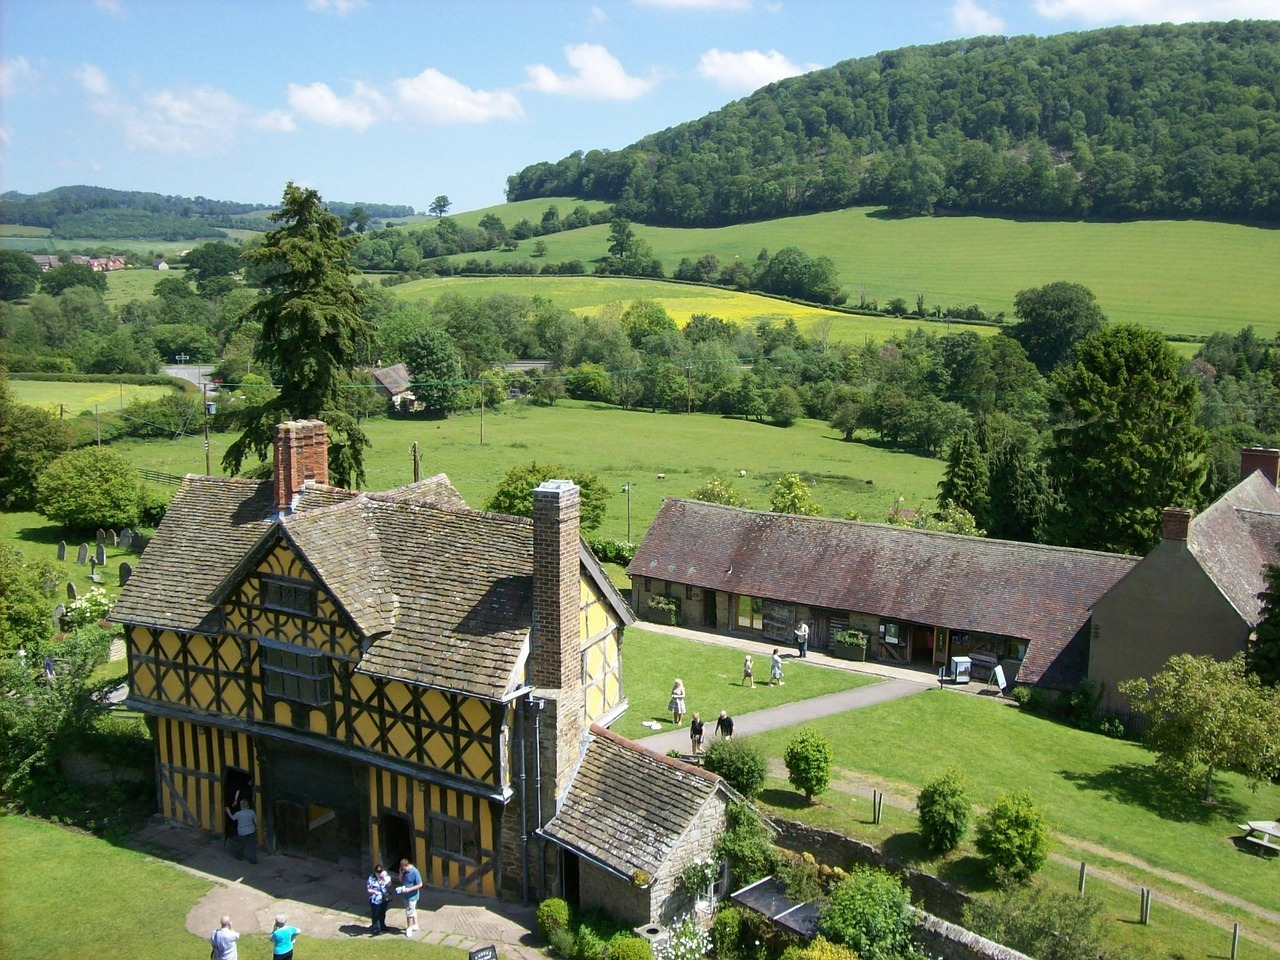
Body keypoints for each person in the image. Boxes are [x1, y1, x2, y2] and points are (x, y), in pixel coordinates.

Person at [225, 793, 257, 864]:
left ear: (241, 806)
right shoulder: (251, 812)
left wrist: (228, 811)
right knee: (252, 846)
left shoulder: (238, 813)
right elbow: (255, 821)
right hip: (251, 830)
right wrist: (256, 827)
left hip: (242, 831)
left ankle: (239, 856)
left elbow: (233, 818)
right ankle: (253, 859)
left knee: (241, 844)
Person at [397, 857, 423, 937]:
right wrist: (400, 874)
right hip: (406, 895)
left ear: (406, 865)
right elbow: (401, 880)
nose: (403, 870)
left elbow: (420, 884)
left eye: (403, 868)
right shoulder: (404, 871)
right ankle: (415, 925)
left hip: (412, 896)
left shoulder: (415, 872)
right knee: (412, 911)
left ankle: (409, 928)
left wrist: (410, 889)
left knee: (409, 913)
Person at [366, 863, 392, 935]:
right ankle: (375, 928)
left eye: (380, 872)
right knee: (375, 914)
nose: (379, 873)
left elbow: (389, 884)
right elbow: (369, 889)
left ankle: (382, 925)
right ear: (375, 872)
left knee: (382, 913)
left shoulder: (385, 877)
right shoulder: (371, 878)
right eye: (377, 872)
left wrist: (384, 878)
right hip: (375, 900)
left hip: (384, 898)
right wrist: (374, 892)